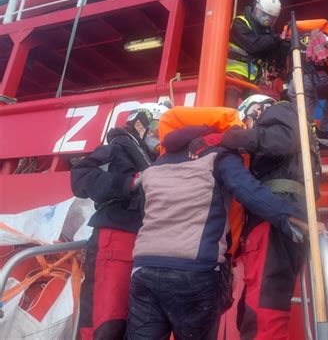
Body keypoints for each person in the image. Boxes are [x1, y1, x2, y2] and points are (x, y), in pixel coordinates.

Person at [126, 124, 307, 340]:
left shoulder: (154, 167)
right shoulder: (217, 156)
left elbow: (143, 213)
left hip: (144, 269)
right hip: (195, 271)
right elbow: (248, 191)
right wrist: (290, 218)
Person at [212, 95, 320, 340]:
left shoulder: (279, 111)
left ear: (258, 108)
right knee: (259, 308)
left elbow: (282, 140)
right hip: (288, 213)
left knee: (263, 314)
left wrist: (232, 137)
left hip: (274, 217)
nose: (248, 127)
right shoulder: (298, 130)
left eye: (248, 121)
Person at [71, 103, 169, 340]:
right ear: (141, 124)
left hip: (143, 242)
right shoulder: (117, 148)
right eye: (157, 127)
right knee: (106, 319)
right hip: (116, 234)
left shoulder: (153, 159)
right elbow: (81, 177)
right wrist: (130, 183)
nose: (160, 135)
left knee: (132, 320)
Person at [225, 0, 283, 107]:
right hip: (234, 73)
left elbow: (271, 55)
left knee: (255, 109)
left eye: (271, 18)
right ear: (256, 8)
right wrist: (278, 38)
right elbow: (253, 45)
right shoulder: (240, 23)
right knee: (230, 107)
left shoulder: (267, 33)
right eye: (263, 14)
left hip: (254, 78)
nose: (267, 19)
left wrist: (284, 42)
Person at [287, 28, 328, 142]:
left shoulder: (293, 39)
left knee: (303, 106)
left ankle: (302, 133)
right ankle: (321, 130)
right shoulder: (325, 37)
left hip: (296, 81)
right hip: (319, 78)